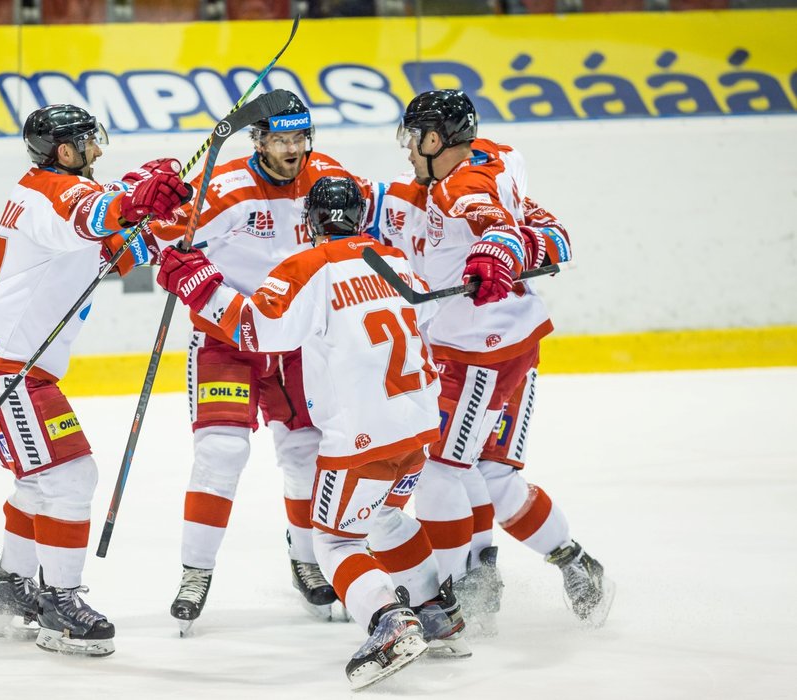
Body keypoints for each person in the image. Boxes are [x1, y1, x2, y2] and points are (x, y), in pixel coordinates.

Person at [157, 176, 470, 689]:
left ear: (310, 220)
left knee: (335, 541)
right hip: (418, 428)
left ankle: (390, 621)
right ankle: (438, 612)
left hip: (362, 439)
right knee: (387, 516)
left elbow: (259, 331)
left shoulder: (310, 266)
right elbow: (428, 308)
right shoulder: (394, 259)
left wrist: (201, 286)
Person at [0, 103, 190, 656]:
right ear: (64, 150)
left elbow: (115, 249)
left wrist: (169, 218)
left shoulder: (55, 194)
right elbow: (96, 215)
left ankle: (11, 585)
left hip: (8, 363)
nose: (99, 151)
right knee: (72, 477)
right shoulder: (50, 195)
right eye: (90, 142)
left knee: (41, 482)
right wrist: (135, 200)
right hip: (8, 366)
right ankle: (60, 602)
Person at [387, 88, 613, 630]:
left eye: (414, 140)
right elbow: (553, 233)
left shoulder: (461, 186)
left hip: (478, 353)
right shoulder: (496, 158)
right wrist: (520, 252)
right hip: (513, 343)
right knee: (491, 470)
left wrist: (496, 253)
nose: (409, 151)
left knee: (440, 467)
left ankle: (444, 598)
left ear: (436, 139)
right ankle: (570, 560)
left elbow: (494, 225)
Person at [150, 92, 373, 630]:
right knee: (221, 452)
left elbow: (363, 231)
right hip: (229, 340)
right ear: (259, 140)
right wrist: (181, 264)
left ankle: (307, 562)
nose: (293, 150)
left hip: (298, 343)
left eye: (300, 138)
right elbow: (159, 238)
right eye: (280, 139)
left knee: (306, 453)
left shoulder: (329, 179)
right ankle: (195, 572)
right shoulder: (223, 186)